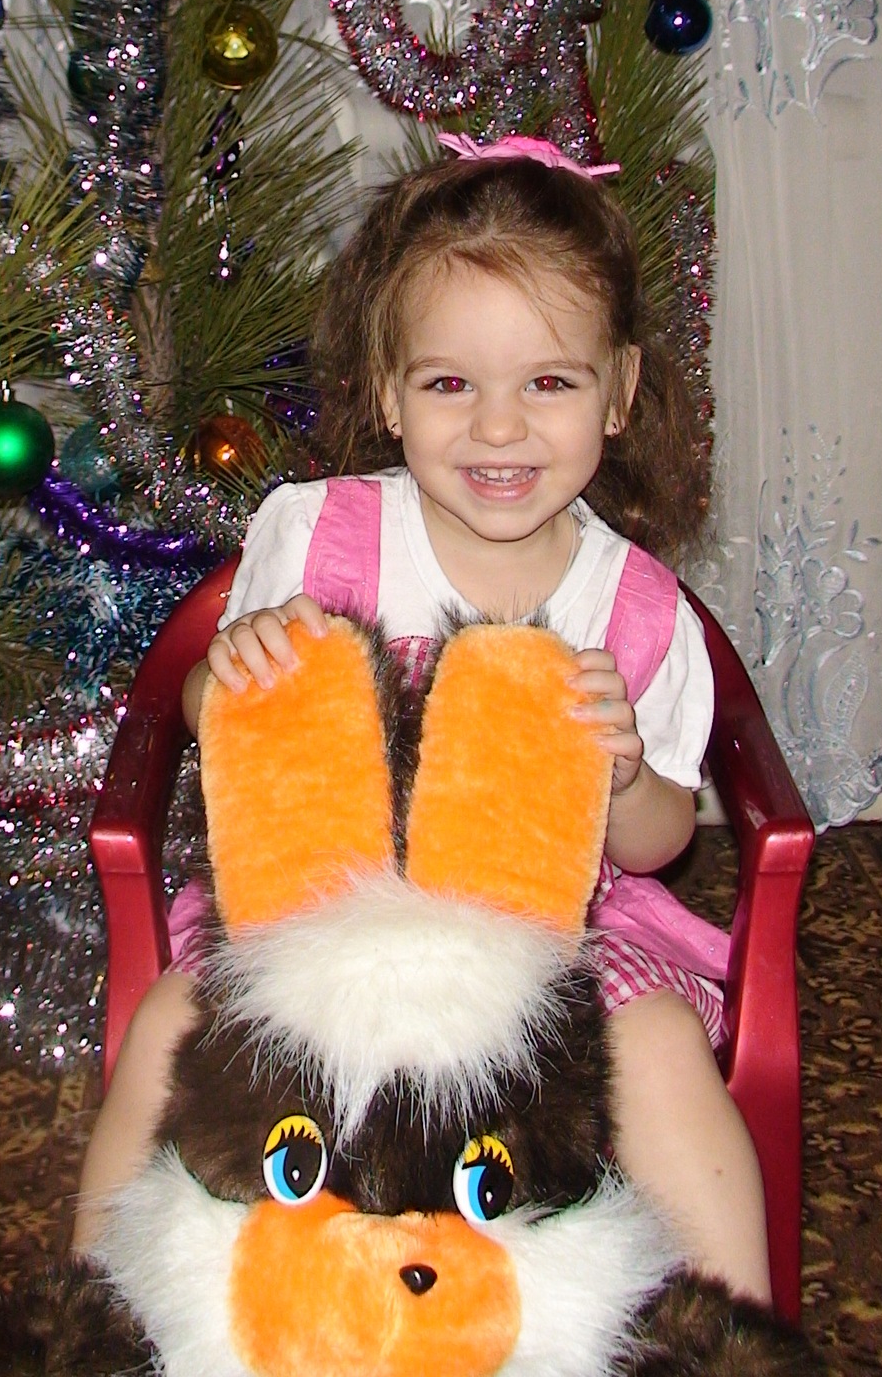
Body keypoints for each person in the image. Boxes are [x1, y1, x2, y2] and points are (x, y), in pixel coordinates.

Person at [72, 136, 770, 1305]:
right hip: (319, 910)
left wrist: (623, 771)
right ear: (390, 392)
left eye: (550, 383)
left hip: (552, 938)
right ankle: (92, 1308)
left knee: (655, 1048)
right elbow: (215, 720)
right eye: (451, 384)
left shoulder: (639, 605)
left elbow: (659, 845)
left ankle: (735, 1324)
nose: (499, 429)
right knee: (172, 1021)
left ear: (620, 391)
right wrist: (231, 670)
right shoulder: (318, 533)